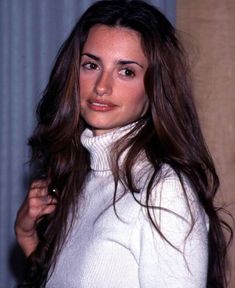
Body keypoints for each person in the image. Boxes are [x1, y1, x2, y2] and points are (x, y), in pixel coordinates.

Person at [15, 0, 232, 287]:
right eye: (91, 65)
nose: (102, 86)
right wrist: (28, 238)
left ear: (155, 88)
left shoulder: (164, 191)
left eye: (126, 71)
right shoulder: (81, 178)